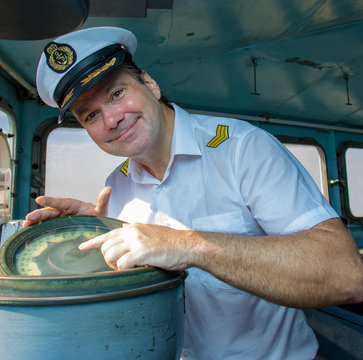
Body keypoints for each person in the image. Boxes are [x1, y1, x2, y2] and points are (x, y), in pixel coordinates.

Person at [25, 26, 363, 359]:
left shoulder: (241, 149)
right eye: (91, 115)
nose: (111, 119)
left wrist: (187, 244)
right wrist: (91, 233)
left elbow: (345, 274)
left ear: (150, 84)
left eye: (116, 94)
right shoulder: (118, 184)